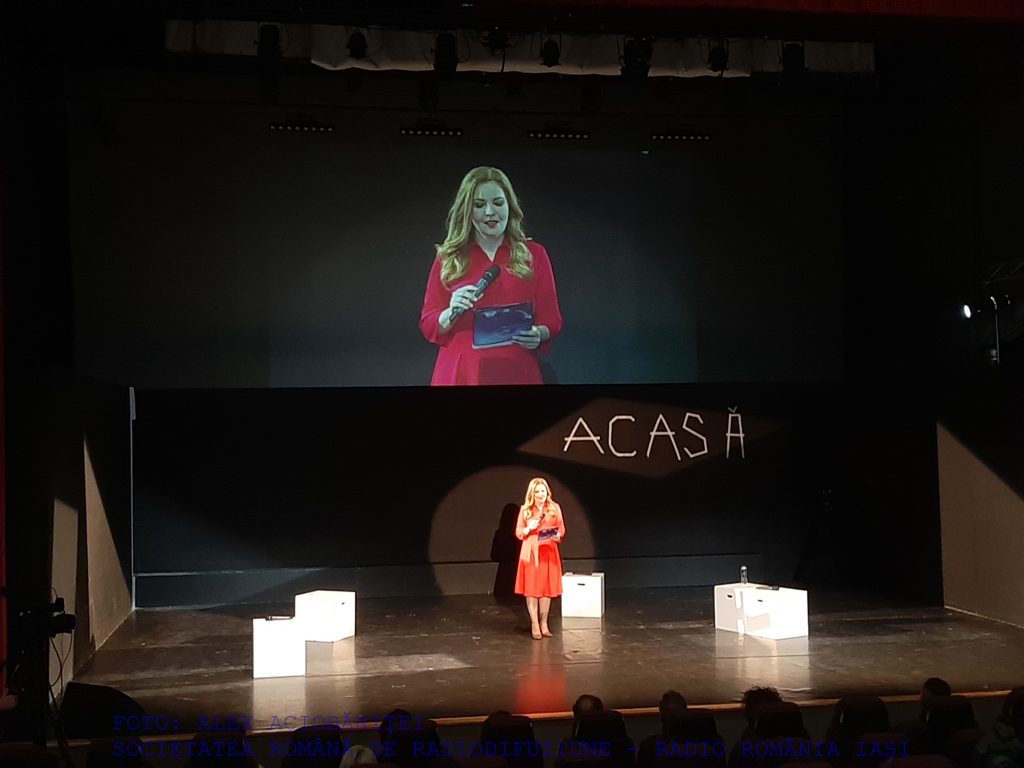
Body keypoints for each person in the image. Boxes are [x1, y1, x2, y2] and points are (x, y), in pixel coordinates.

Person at [420, 166, 564, 386]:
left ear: (510, 206)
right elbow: (428, 323)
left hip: (516, 371)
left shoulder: (534, 254)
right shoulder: (449, 257)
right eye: (479, 205)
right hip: (461, 373)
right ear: (468, 211)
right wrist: (450, 311)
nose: (489, 212)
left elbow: (552, 319)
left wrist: (538, 334)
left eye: (498, 203)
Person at [514, 477, 566, 639]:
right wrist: (529, 528)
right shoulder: (525, 509)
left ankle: (544, 623)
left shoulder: (554, 507)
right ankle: (534, 624)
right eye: (537, 491)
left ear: (547, 492)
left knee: (546, 589)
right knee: (532, 588)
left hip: (548, 550)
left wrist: (558, 535)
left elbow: (561, 529)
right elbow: (519, 532)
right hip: (531, 551)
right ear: (532, 493)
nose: (540, 494)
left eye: (543, 491)